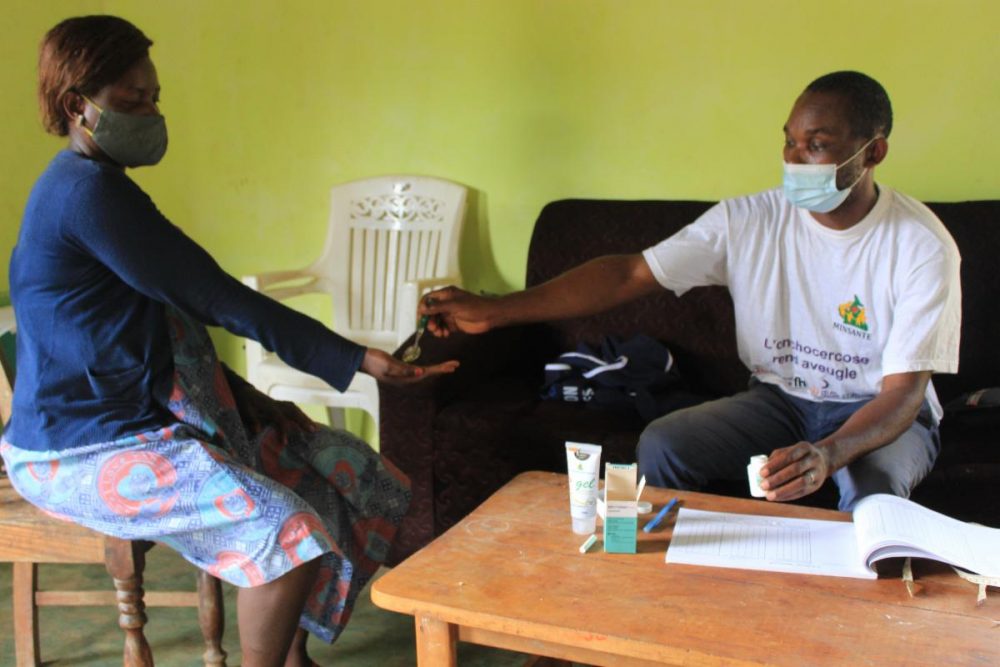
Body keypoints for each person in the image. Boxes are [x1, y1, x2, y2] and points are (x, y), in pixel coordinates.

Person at [1, 15, 457, 667]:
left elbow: (149, 327)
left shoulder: (102, 189)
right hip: (78, 449)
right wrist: (360, 359)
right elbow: (212, 295)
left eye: (154, 95)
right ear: (78, 105)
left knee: (339, 472)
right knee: (285, 530)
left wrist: (242, 396)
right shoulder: (84, 196)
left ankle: (292, 652)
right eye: (134, 99)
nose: (152, 111)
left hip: (145, 415)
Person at [420, 71, 961, 513]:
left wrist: (829, 452)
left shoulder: (920, 246)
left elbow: (902, 395)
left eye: (817, 146)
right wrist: (498, 311)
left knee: (872, 494)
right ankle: (669, 603)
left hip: (877, 411)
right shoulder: (751, 220)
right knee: (663, 443)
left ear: (874, 152)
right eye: (789, 143)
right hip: (780, 400)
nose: (795, 161)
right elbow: (630, 273)